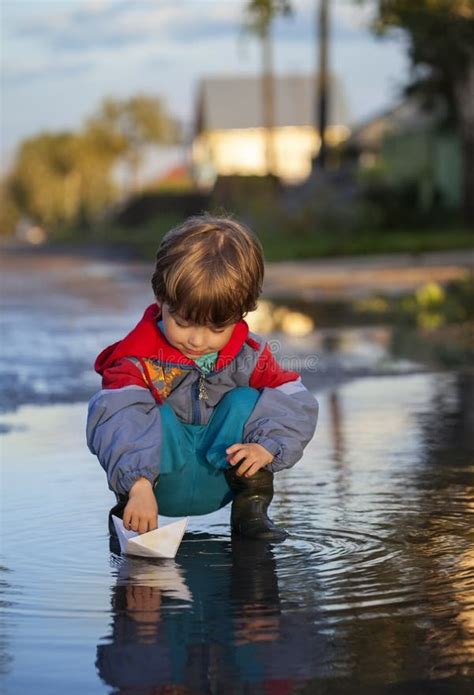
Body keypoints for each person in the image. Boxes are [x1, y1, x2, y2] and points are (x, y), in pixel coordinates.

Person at [86, 215, 318, 542]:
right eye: (183, 323)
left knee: (248, 400)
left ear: (242, 313)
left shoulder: (249, 355)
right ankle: (129, 518)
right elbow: (118, 419)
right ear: (161, 299)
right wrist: (136, 484)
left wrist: (269, 447)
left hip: (221, 479)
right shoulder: (136, 359)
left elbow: (297, 400)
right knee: (135, 406)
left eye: (216, 329)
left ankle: (251, 513)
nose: (197, 340)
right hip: (154, 488)